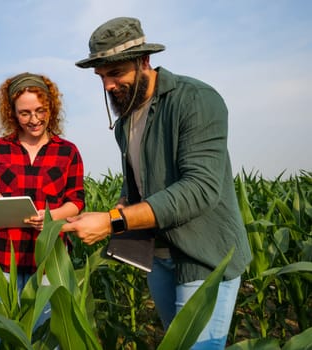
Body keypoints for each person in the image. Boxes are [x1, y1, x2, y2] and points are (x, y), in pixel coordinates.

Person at [61, 17, 252, 349]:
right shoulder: (125, 121)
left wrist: (111, 222)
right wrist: (119, 206)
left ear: (144, 61)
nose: (107, 85)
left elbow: (200, 189)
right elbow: (136, 184)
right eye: (101, 76)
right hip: (159, 259)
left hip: (203, 256)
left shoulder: (195, 100)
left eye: (116, 72)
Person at [0, 72, 85, 349]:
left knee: (45, 338)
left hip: (49, 261)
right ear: (12, 114)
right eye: (24, 113)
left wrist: (49, 218)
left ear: (51, 109)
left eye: (40, 111)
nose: (34, 119)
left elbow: (76, 202)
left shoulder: (67, 152)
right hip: (2, 258)